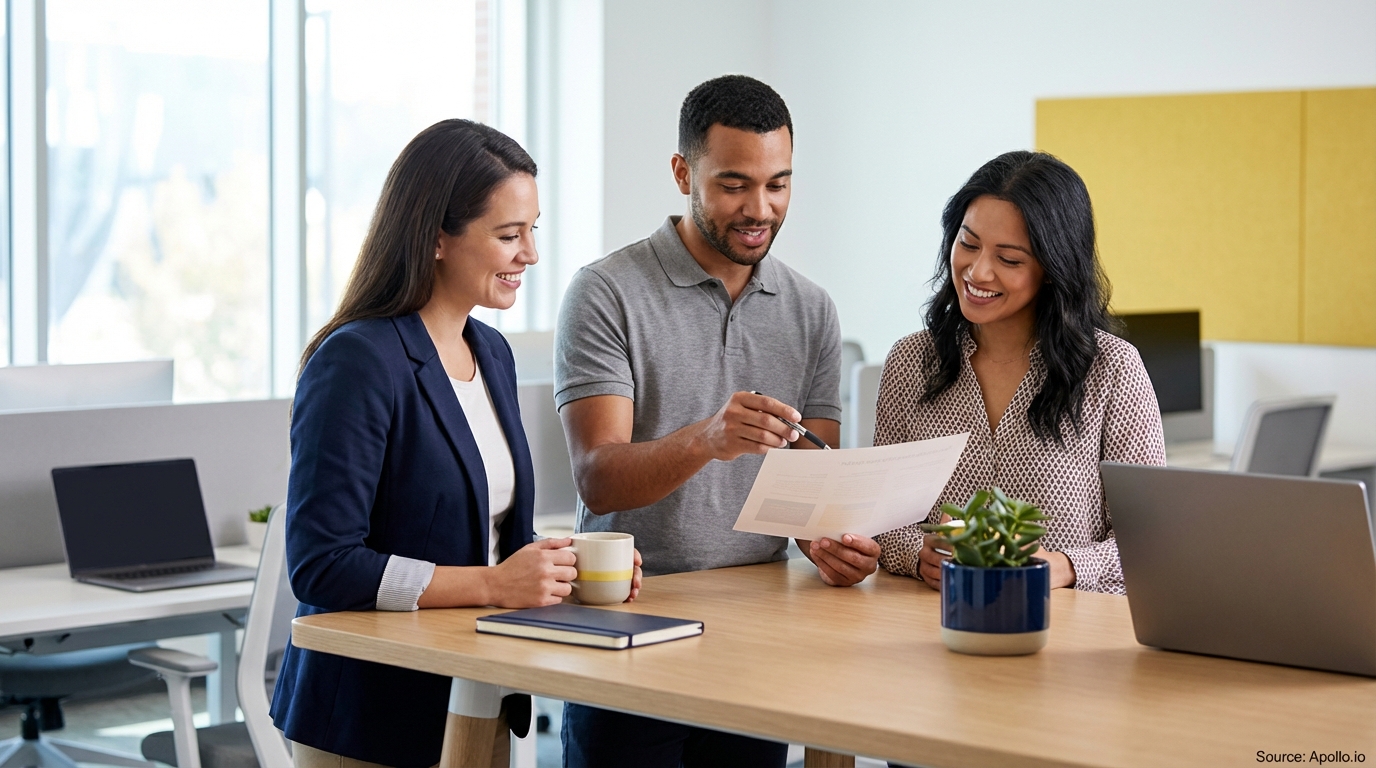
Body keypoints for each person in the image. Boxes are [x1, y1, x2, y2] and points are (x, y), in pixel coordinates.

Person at [269, 119, 641, 768]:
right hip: (370, 711)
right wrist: (494, 585)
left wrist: (562, 569)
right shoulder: (357, 360)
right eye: (508, 234)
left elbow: (493, 534)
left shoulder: (490, 352)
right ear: (437, 237)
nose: (530, 254)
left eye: (533, 229)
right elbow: (322, 564)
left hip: (476, 692)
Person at [554, 75, 879, 768]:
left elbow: (812, 479)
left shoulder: (810, 309)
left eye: (778, 184)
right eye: (734, 185)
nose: (759, 208)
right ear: (683, 173)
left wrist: (825, 537)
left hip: (758, 630)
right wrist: (706, 439)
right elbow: (598, 481)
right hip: (630, 624)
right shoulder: (606, 292)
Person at [872, 150, 1166, 596]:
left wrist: (1066, 567)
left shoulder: (1112, 370)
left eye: (1009, 259)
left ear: (1052, 269)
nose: (977, 271)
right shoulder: (911, 361)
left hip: (1066, 640)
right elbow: (879, 521)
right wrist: (917, 555)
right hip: (930, 633)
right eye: (968, 243)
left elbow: (1153, 540)